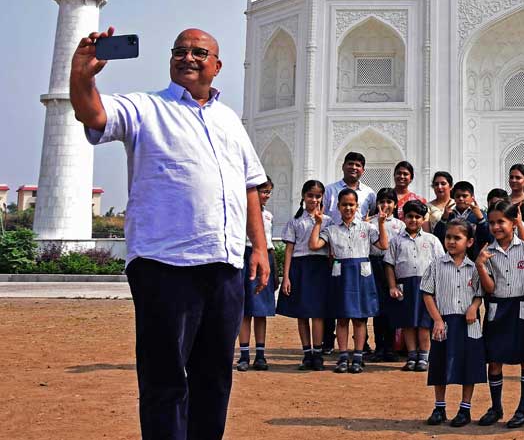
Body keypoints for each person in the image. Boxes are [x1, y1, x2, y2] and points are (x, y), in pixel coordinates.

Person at [71, 27, 269, 440]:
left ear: (217, 66)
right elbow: (94, 115)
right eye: (180, 50)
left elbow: (250, 184)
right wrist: (82, 76)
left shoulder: (229, 120)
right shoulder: (146, 108)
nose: (188, 57)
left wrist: (260, 248)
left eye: (199, 52)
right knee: (165, 378)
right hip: (164, 265)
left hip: (224, 265)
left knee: (214, 378)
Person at [475, 201, 524, 429]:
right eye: (492, 223)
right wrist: (480, 266)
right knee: (494, 359)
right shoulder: (487, 252)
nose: (496, 227)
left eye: (501, 222)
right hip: (498, 308)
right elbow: (490, 288)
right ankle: (496, 407)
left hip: (523, 307)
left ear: (513, 223)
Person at [310, 188, 389, 374]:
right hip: (341, 276)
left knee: (360, 319)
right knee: (342, 317)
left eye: (351, 205)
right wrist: (318, 223)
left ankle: (358, 356)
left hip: (361, 275)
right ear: (338, 206)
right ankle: (343, 356)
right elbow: (314, 245)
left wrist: (381, 224)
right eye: (344, 205)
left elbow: (383, 245)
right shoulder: (332, 230)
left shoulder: (367, 228)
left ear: (357, 206)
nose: (348, 208)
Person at [421, 218, 486, 427]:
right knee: (440, 363)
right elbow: (427, 293)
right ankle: (439, 408)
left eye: (457, 238)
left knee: (469, 365)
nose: (451, 241)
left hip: (469, 323)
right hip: (444, 323)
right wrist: (437, 320)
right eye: (448, 237)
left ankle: (465, 409)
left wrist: (474, 306)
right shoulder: (436, 265)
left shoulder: (475, 267)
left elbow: (480, 293)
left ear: (469, 242)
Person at [323, 151, 376, 354]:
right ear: (343, 165)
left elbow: (371, 219)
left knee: (359, 307)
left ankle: (361, 347)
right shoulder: (330, 190)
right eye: (350, 163)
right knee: (337, 301)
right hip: (335, 250)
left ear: (363, 169)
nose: (354, 167)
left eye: (358, 165)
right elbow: (323, 218)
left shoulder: (369, 193)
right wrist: (329, 249)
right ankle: (329, 342)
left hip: (359, 252)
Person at [384, 199, 446, 372]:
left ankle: (424, 357)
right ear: (404, 217)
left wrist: (438, 288)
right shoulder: (396, 241)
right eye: (410, 216)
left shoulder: (432, 240)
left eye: (418, 217)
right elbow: (389, 265)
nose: (413, 220)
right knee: (408, 322)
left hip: (426, 287)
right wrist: (392, 286)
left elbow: (441, 264)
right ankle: (411, 356)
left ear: (423, 218)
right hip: (404, 287)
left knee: (424, 323)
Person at [276, 180, 331, 371]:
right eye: (310, 195)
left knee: (317, 313)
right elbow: (289, 250)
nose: (314, 200)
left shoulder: (328, 221)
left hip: (320, 267)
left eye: (318, 196)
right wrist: (287, 277)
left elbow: (331, 250)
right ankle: (307, 353)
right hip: (300, 267)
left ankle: (318, 354)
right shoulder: (295, 221)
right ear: (303, 196)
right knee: (302, 313)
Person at [237, 178, 277, 372]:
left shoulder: (268, 216)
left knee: (261, 311)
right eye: (263, 191)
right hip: (246, 256)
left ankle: (260, 354)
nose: (266, 196)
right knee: (245, 310)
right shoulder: (242, 213)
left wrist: (273, 270)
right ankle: (244, 354)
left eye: (268, 192)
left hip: (264, 258)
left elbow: (269, 244)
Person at [366, 188, 406, 362]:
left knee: (391, 307)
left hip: (393, 267)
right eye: (382, 201)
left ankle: (390, 347)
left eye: (389, 202)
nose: (385, 205)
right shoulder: (370, 222)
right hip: (374, 265)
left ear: (395, 204)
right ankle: (379, 347)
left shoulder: (400, 225)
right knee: (378, 308)